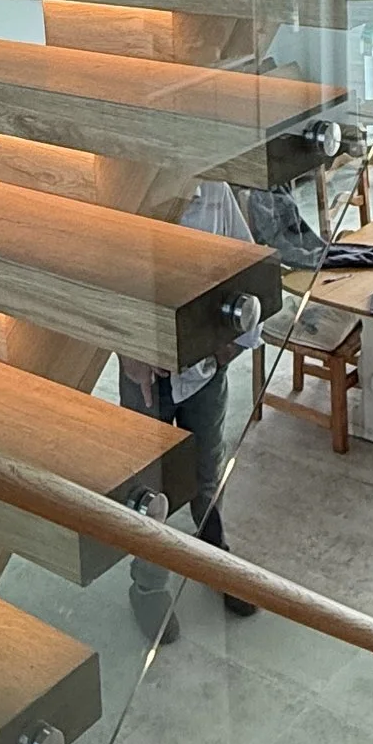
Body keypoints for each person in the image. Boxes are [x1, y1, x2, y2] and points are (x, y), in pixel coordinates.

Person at [118, 179, 258, 634]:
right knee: (150, 487)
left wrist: (224, 352)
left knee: (205, 475)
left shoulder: (214, 191)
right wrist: (128, 352)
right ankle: (147, 587)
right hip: (146, 375)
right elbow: (105, 281)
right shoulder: (128, 194)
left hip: (203, 369)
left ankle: (214, 561)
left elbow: (245, 264)